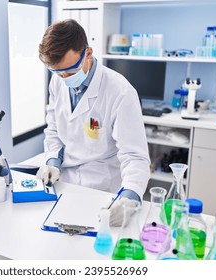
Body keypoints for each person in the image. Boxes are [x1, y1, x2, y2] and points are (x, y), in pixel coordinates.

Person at [36, 19, 150, 226]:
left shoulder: (120, 92)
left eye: (70, 71)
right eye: (57, 72)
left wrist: (129, 199)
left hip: (102, 189)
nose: (64, 78)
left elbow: (136, 157)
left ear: (88, 53)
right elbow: (54, 129)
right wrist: (52, 162)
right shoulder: (58, 80)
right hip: (64, 184)